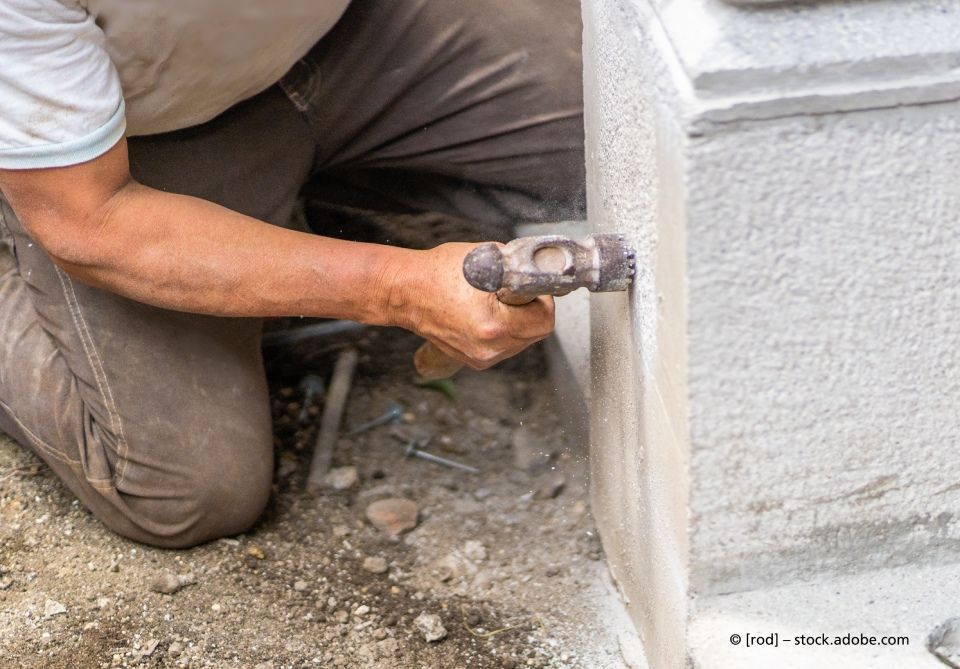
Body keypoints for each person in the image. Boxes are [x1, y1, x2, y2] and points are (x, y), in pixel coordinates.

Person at [0, 0, 585, 547]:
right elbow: (91, 221)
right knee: (188, 484)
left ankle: (287, 186)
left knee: (636, 118)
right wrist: (397, 288)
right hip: (130, 146)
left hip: (343, 33)